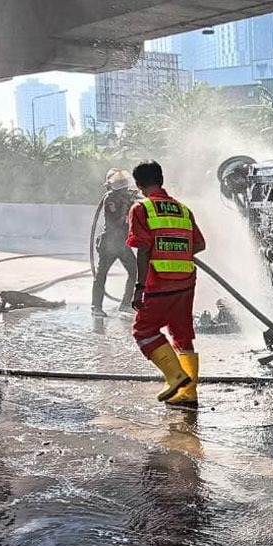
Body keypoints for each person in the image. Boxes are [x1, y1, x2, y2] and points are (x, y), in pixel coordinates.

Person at [127, 161, 205, 406]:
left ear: (139, 185)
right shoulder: (183, 209)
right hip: (185, 284)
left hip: (158, 284)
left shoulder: (141, 208)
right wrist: (178, 251)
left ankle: (174, 375)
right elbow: (200, 245)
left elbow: (142, 250)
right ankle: (189, 393)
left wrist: (139, 287)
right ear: (161, 179)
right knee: (183, 336)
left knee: (144, 331)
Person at [91, 168, 136, 316]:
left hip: (123, 243)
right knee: (102, 274)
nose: (125, 190)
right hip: (110, 243)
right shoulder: (110, 199)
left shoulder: (127, 199)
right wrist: (124, 207)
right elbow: (115, 223)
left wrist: (131, 204)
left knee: (134, 271)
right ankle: (96, 307)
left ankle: (125, 304)